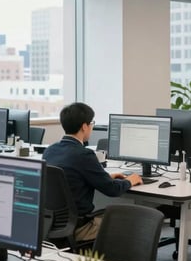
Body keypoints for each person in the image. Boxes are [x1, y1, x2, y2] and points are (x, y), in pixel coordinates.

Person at [43, 102, 143, 241]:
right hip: (79, 226)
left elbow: (72, 178)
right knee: (130, 222)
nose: (92, 126)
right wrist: (129, 180)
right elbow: (112, 190)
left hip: (51, 225)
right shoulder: (84, 155)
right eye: (91, 123)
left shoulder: (50, 151)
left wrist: (105, 176)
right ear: (84, 126)